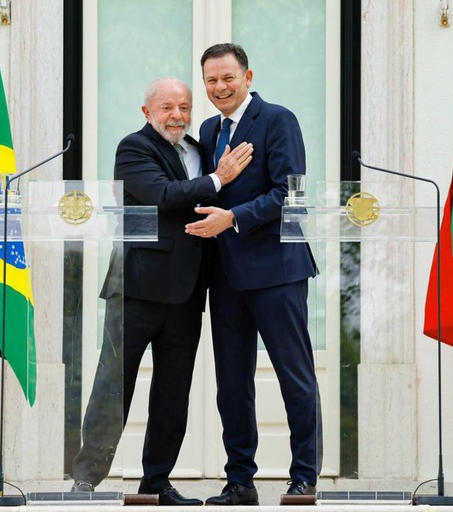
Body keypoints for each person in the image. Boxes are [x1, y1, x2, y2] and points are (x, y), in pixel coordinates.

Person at [71, 77, 253, 506]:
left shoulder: (199, 148)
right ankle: (86, 481)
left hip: (188, 293)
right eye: (168, 107)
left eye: (185, 107)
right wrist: (218, 179)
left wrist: (216, 178)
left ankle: (156, 481)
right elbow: (163, 195)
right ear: (147, 112)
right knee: (113, 388)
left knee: (173, 392)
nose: (178, 115)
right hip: (136, 289)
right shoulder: (133, 148)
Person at [185, 43, 321, 506]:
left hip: (277, 271)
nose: (219, 87)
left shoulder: (278, 119)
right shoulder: (206, 129)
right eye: (211, 81)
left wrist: (233, 217)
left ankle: (304, 478)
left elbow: (291, 192)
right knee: (232, 382)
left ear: (247, 76)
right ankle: (240, 482)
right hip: (224, 275)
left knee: (294, 376)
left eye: (228, 78)